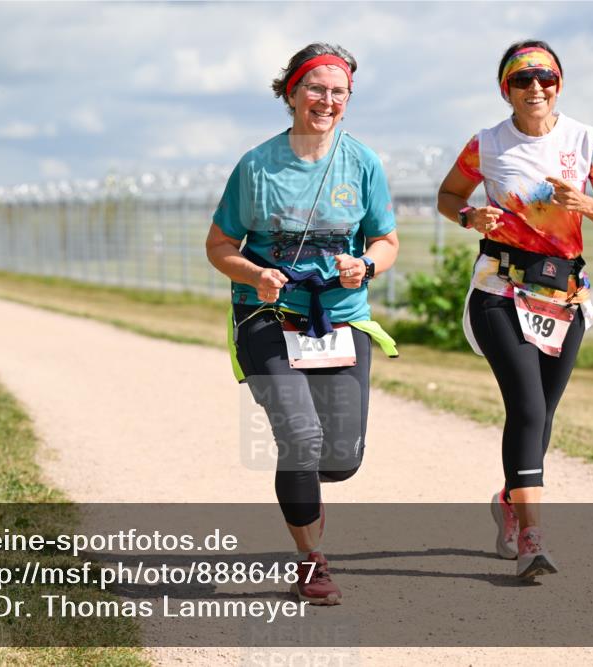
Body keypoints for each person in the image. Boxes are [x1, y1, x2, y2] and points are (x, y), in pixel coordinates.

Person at [205, 42, 399, 604]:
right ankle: (312, 560)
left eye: (339, 92)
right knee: (301, 437)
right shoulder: (256, 165)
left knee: (338, 459)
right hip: (266, 315)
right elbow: (219, 246)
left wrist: (364, 265)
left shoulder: (362, 162)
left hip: (340, 320)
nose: (327, 100)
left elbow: (386, 241)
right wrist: (254, 273)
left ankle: (307, 509)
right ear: (291, 93)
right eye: (316, 88)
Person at [437, 40, 593, 578]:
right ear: (507, 89)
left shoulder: (588, 141)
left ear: (559, 83)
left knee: (543, 413)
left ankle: (508, 500)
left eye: (545, 77)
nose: (535, 88)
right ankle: (531, 538)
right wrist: (468, 218)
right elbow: (448, 196)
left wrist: (583, 202)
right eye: (522, 79)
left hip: (563, 297)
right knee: (526, 407)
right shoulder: (487, 143)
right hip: (500, 290)